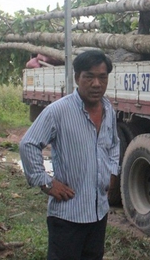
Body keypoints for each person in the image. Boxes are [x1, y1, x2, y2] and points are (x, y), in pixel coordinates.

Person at [20, 50, 120, 260]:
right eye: (89, 77)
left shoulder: (108, 109)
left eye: (102, 77)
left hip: (98, 212)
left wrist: (111, 171)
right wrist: (45, 182)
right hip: (68, 215)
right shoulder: (58, 111)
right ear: (77, 78)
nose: (96, 84)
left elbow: (113, 144)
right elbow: (28, 144)